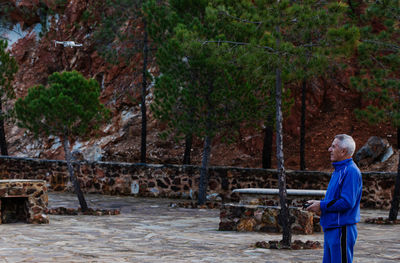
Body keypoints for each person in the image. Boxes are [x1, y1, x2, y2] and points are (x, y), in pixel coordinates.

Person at [307, 134, 362, 263]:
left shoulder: (351, 171)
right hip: (332, 228)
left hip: (341, 229)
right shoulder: (339, 170)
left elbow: (347, 202)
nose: (329, 149)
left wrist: (321, 205)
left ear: (343, 151)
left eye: (333, 146)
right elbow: (335, 200)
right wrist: (320, 207)